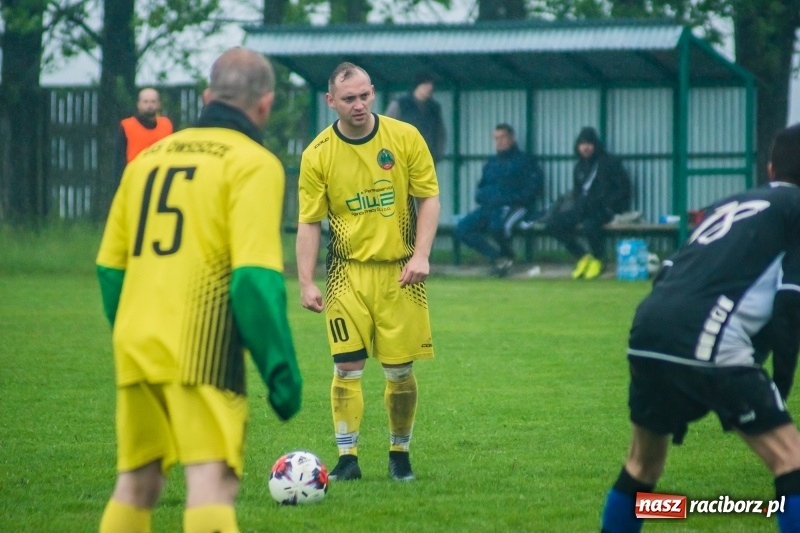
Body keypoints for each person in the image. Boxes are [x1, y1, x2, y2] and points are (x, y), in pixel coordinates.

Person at [95, 47, 302, 533]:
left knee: (137, 482)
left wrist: (129, 330)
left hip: (135, 343)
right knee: (212, 483)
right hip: (201, 347)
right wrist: (281, 371)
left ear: (207, 97)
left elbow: (109, 269)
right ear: (265, 105)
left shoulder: (148, 160)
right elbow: (255, 279)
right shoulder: (254, 164)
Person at [600, 123, 800, 533]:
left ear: (770, 167)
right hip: (710, 335)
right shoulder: (796, 211)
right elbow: (791, 299)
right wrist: (780, 381)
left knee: (642, 465)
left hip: (648, 328)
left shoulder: (730, 202)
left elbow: (669, 271)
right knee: (791, 461)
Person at [296, 62, 440, 482]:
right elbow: (309, 221)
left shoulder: (405, 137)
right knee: (347, 368)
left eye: (364, 95)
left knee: (400, 373)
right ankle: (347, 460)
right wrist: (305, 281)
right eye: (348, 99)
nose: (358, 105)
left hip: (400, 275)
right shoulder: (318, 154)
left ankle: (400, 455)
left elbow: (429, 197)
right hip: (346, 274)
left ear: (373, 92)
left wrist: (422, 255)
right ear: (331, 102)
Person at [453, 123, 544, 277]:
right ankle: (497, 257)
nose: (499, 141)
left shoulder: (525, 161)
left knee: (498, 226)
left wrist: (508, 199)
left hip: (514, 206)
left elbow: (534, 188)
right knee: (461, 229)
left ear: (512, 138)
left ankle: (507, 258)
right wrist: (483, 197)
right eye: (496, 138)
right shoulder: (491, 162)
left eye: (502, 137)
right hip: (490, 207)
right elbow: (481, 187)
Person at [543, 126, 630, 280]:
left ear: (595, 145)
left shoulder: (609, 163)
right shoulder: (579, 167)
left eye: (589, 143)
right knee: (552, 224)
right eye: (582, 144)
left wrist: (609, 204)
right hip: (583, 208)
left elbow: (623, 188)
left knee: (590, 226)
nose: (585, 147)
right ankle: (583, 257)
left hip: (604, 210)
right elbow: (577, 192)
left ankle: (598, 259)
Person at [113, 87, 174, 182]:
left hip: (160, 180)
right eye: (145, 102)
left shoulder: (166, 125)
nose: (149, 105)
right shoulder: (127, 126)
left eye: (153, 102)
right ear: (139, 104)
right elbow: (119, 161)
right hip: (135, 180)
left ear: (159, 104)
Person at [384, 71, 446, 162]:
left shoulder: (434, 108)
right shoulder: (400, 105)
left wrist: (437, 154)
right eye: (426, 84)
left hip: (427, 158)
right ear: (417, 86)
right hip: (402, 158)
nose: (430, 88)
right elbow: (386, 129)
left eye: (431, 84)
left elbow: (440, 133)